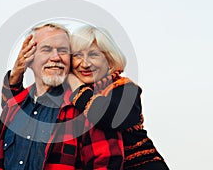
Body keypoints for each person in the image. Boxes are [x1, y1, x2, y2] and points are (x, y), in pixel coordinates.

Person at [0, 23, 124, 170]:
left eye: (63, 51)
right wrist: (16, 73)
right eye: (46, 50)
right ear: (28, 58)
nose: (56, 57)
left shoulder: (88, 107)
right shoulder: (12, 108)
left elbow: (107, 165)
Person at [67, 25, 169, 170]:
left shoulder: (125, 88)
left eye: (93, 55)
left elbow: (106, 115)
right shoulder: (70, 97)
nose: (85, 64)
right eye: (77, 55)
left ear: (109, 60)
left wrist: (75, 84)